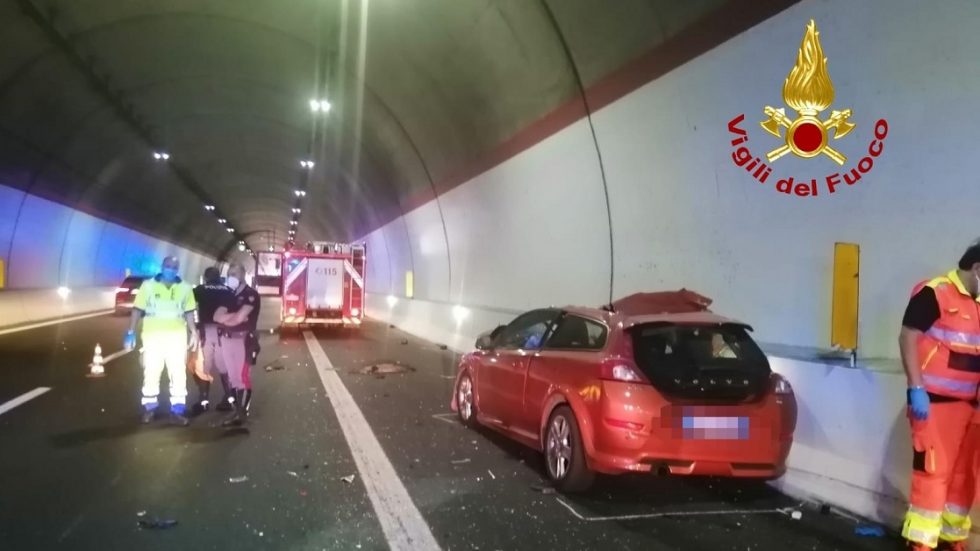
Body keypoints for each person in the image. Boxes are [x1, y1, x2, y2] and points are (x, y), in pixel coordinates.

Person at [899, 241, 980, 550]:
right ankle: (921, 544)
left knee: (964, 478)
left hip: (971, 407)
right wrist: (915, 388)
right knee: (933, 475)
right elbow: (908, 336)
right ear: (977, 268)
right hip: (933, 406)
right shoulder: (935, 293)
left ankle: (952, 540)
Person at [124, 255, 199, 426]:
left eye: (174, 266)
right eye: (168, 265)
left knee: (178, 373)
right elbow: (137, 310)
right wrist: (130, 331)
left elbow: (189, 313)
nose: (170, 269)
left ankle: (177, 410)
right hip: (152, 337)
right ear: (162, 266)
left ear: (178, 269)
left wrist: (193, 331)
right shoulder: (148, 286)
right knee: (151, 372)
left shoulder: (186, 288)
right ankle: (150, 408)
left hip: (177, 339)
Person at [213, 262, 261, 427]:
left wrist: (229, 317)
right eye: (230, 274)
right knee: (232, 378)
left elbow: (239, 319)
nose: (231, 277)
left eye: (235, 274)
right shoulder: (227, 295)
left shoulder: (251, 294)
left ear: (243, 274)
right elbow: (217, 316)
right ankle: (236, 409)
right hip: (226, 339)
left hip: (244, 341)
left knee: (242, 377)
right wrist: (233, 317)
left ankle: (242, 412)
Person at [191, 266, 235, 415]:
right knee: (225, 369)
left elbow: (188, 306)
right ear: (219, 277)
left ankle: (203, 401)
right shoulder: (228, 291)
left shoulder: (199, 290)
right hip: (224, 334)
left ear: (205, 277)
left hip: (205, 333)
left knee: (202, 368)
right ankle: (230, 399)